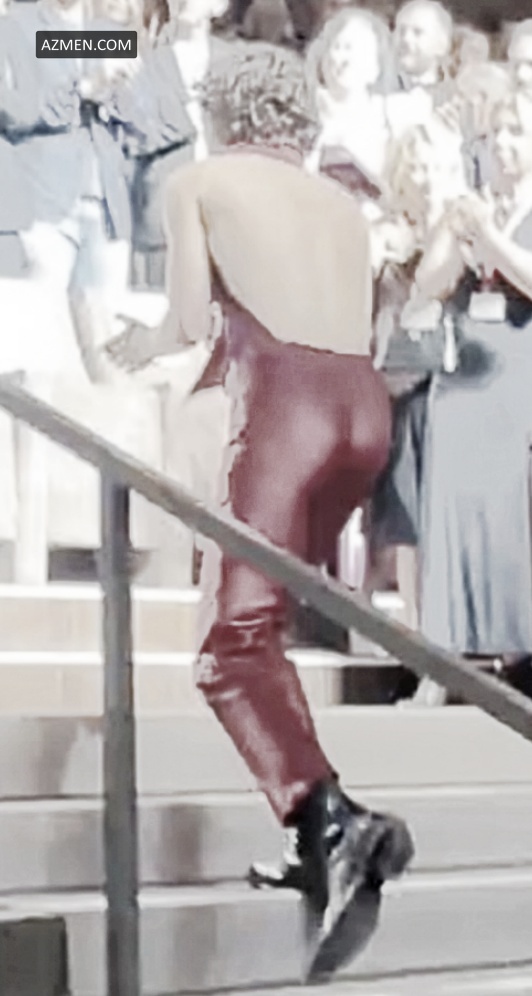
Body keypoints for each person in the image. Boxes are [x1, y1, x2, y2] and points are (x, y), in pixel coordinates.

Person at [108, 44, 413, 981]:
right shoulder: (342, 205)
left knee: (229, 644)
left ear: (218, 111)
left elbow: (188, 321)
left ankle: (335, 821)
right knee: (265, 628)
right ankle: (308, 839)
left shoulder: (200, 181)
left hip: (288, 407)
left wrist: (141, 343)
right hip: (363, 413)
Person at [415, 93, 532, 692]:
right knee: (453, 511)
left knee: (513, 514)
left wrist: (492, 238)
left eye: (517, 133)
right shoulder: (470, 205)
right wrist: (457, 239)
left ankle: (517, 650)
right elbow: (427, 284)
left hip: (520, 372)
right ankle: (442, 660)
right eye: (497, 135)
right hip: (464, 375)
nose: (505, 146)